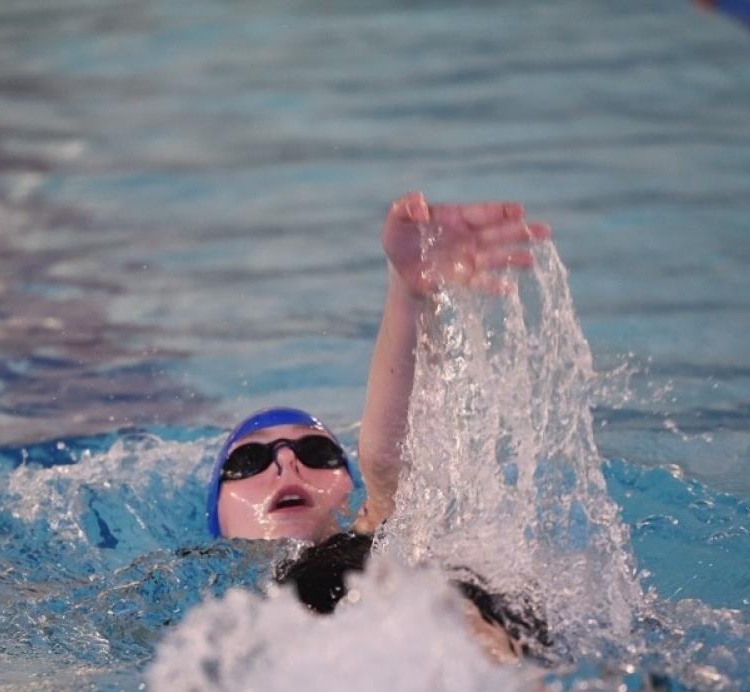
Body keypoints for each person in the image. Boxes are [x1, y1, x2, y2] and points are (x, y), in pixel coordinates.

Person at [207, 192, 553, 661]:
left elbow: (390, 460)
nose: (288, 460)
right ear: (217, 517)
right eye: (249, 460)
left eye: (317, 454)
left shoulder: (383, 537)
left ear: (352, 492)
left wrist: (409, 292)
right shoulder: (213, 619)